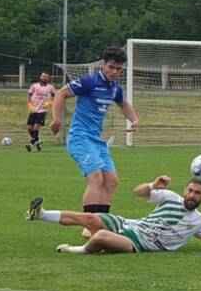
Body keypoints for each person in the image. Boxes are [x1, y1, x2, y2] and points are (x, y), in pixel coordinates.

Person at [25, 175, 201, 254]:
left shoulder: (199, 222)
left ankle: (76, 251)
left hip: (137, 242)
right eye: (190, 190)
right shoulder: (169, 197)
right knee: (90, 217)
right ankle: (40, 214)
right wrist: (153, 184)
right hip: (131, 224)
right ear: (185, 190)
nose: (192, 195)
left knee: (99, 237)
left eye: (197, 193)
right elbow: (137, 192)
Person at [50, 47, 140, 222]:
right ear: (104, 64)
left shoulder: (114, 88)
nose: (114, 72)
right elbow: (61, 93)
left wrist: (134, 120)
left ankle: (101, 224)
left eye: (118, 69)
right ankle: (89, 225)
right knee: (96, 179)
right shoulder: (89, 82)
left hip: (97, 142)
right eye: (111, 67)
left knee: (112, 181)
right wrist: (57, 120)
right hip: (79, 138)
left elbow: (123, 104)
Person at [26, 71, 57, 152]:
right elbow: (29, 95)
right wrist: (29, 105)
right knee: (29, 128)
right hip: (33, 110)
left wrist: (50, 102)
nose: (44, 78)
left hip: (42, 110)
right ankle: (38, 141)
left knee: (36, 128)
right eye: (43, 76)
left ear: (48, 78)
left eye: (46, 76)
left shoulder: (50, 87)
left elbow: (55, 95)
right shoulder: (34, 86)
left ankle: (31, 145)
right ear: (40, 77)